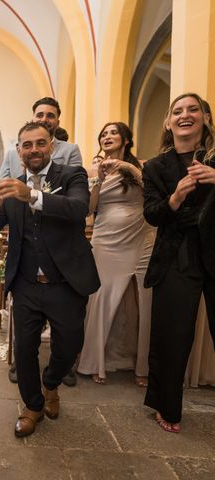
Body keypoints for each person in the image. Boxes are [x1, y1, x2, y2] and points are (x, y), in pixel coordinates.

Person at [0, 121, 99, 438]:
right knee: (24, 351)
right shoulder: (12, 185)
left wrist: (31, 195)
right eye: (26, 144)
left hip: (65, 282)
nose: (33, 149)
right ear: (19, 151)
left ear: (51, 146)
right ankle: (33, 406)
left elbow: (78, 209)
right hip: (26, 284)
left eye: (39, 143)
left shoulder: (71, 175)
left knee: (70, 345)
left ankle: (51, 382)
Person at [142, 92, 215, 433]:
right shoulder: (156, 167)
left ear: (205, 118)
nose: (185, 115)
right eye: (177, 111)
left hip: (213, 248)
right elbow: (152, 214)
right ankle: (166, 405)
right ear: (168, 123)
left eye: (193, 109)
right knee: (172, 334)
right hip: (176, 253)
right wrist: (175, 198)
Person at [77, 122, 155, 386]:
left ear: (125, 139)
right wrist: (98, 178)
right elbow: (88, 208)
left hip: (140, 236)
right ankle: (97, 361)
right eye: (103, 133)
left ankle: (141, 364)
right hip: (106, 238)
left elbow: (155, 194)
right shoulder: (92, 168)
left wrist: (129, 169)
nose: (107, 136)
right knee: (102, 297)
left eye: (113, 132)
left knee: (141, 300)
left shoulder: (141, 165)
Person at [0, 97, 82, 179]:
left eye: (50, 116)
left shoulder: (71, 150)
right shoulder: (12, 154)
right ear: (33, 119)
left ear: (57, 123)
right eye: (39, 115)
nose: (44, 119)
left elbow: (75, 182)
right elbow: (1, 187)